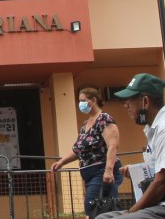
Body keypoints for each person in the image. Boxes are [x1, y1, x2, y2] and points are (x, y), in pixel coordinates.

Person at [97, 73, 165, 219]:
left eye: (130, 100)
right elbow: (162, 170)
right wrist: (138, 171)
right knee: (102, 218)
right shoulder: (155, 129)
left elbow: (161, 182)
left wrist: (131, 212)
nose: (126, 105)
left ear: (145, 101)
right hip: (163, 206)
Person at [51, 87, 122, 216]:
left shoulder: (104, 119)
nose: (80, 104)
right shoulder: (86, 124)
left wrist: (109, 170)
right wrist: (61, 162)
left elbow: (113, 145)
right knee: (95, 208)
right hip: (89, 175)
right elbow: (78, 150)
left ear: (93, 100)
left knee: (95, 207)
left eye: (83, 100)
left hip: (101, 172)